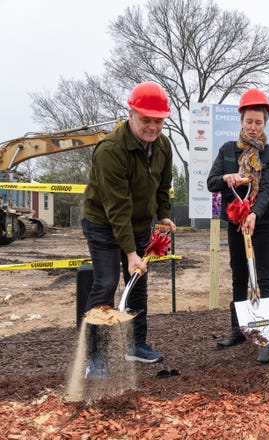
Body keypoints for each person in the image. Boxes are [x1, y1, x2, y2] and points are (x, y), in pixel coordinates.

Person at [82, 81, 177, 378]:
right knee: (106, 283)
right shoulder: (111, 150)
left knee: (137, 285)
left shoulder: (162, 145)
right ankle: (95, 357)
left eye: (158, 121)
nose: (152, 126)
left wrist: (162, 215)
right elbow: (116, 207)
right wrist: (132, 253)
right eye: (145, 119)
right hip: (103, 224)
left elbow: (163, 185)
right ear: (131, 114)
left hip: (138, 224)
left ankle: (136, 345)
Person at [207, 88, 269, 364]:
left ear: (265, 123)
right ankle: (237, 328)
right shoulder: (228, 149)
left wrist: (255, 214)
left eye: (258, 122)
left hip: (262, 223)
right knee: (239, 274)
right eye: (249, 121)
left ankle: (267, 337)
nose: (253, 127)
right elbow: (211, 183)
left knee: (264, 276)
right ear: (241, 120)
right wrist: (228, 177)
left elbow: (267, 189)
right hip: (236, 222)